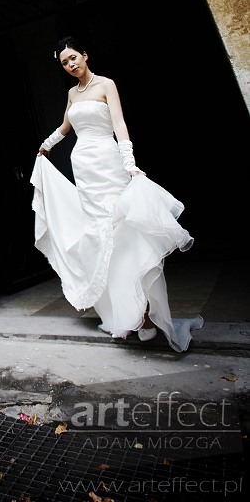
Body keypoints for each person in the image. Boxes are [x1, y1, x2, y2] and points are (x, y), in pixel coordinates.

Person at [31, 36, 203, 353]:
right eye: (64, 63)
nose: (70, 65)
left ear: (84, 55)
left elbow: (119, 125)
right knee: (100, 236)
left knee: (125, 232)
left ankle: (147, 316)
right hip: (83, 167)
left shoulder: (106, 85)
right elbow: (65, 127)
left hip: (109, 163)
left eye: (72, 58)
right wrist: (46, 145)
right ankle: (126, 315)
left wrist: (130, 163)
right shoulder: (71, 93)